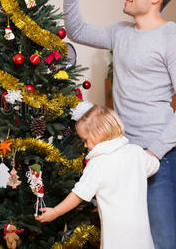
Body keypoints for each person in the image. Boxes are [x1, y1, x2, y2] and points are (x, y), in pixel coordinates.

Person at [55, 0, 176, 248]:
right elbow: (78, 31)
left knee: (166, 242)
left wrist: (154, 152)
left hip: (162, 158)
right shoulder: (120, 32)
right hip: (122, 156)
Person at [36, 104, 160, 248]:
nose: (85, 146)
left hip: (117, 238)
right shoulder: (136, 152)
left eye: (86, 140)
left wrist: (55, 212)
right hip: (141, 235)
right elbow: (155, 164)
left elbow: (79, 194)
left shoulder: (98, 163)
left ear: (100, 132)